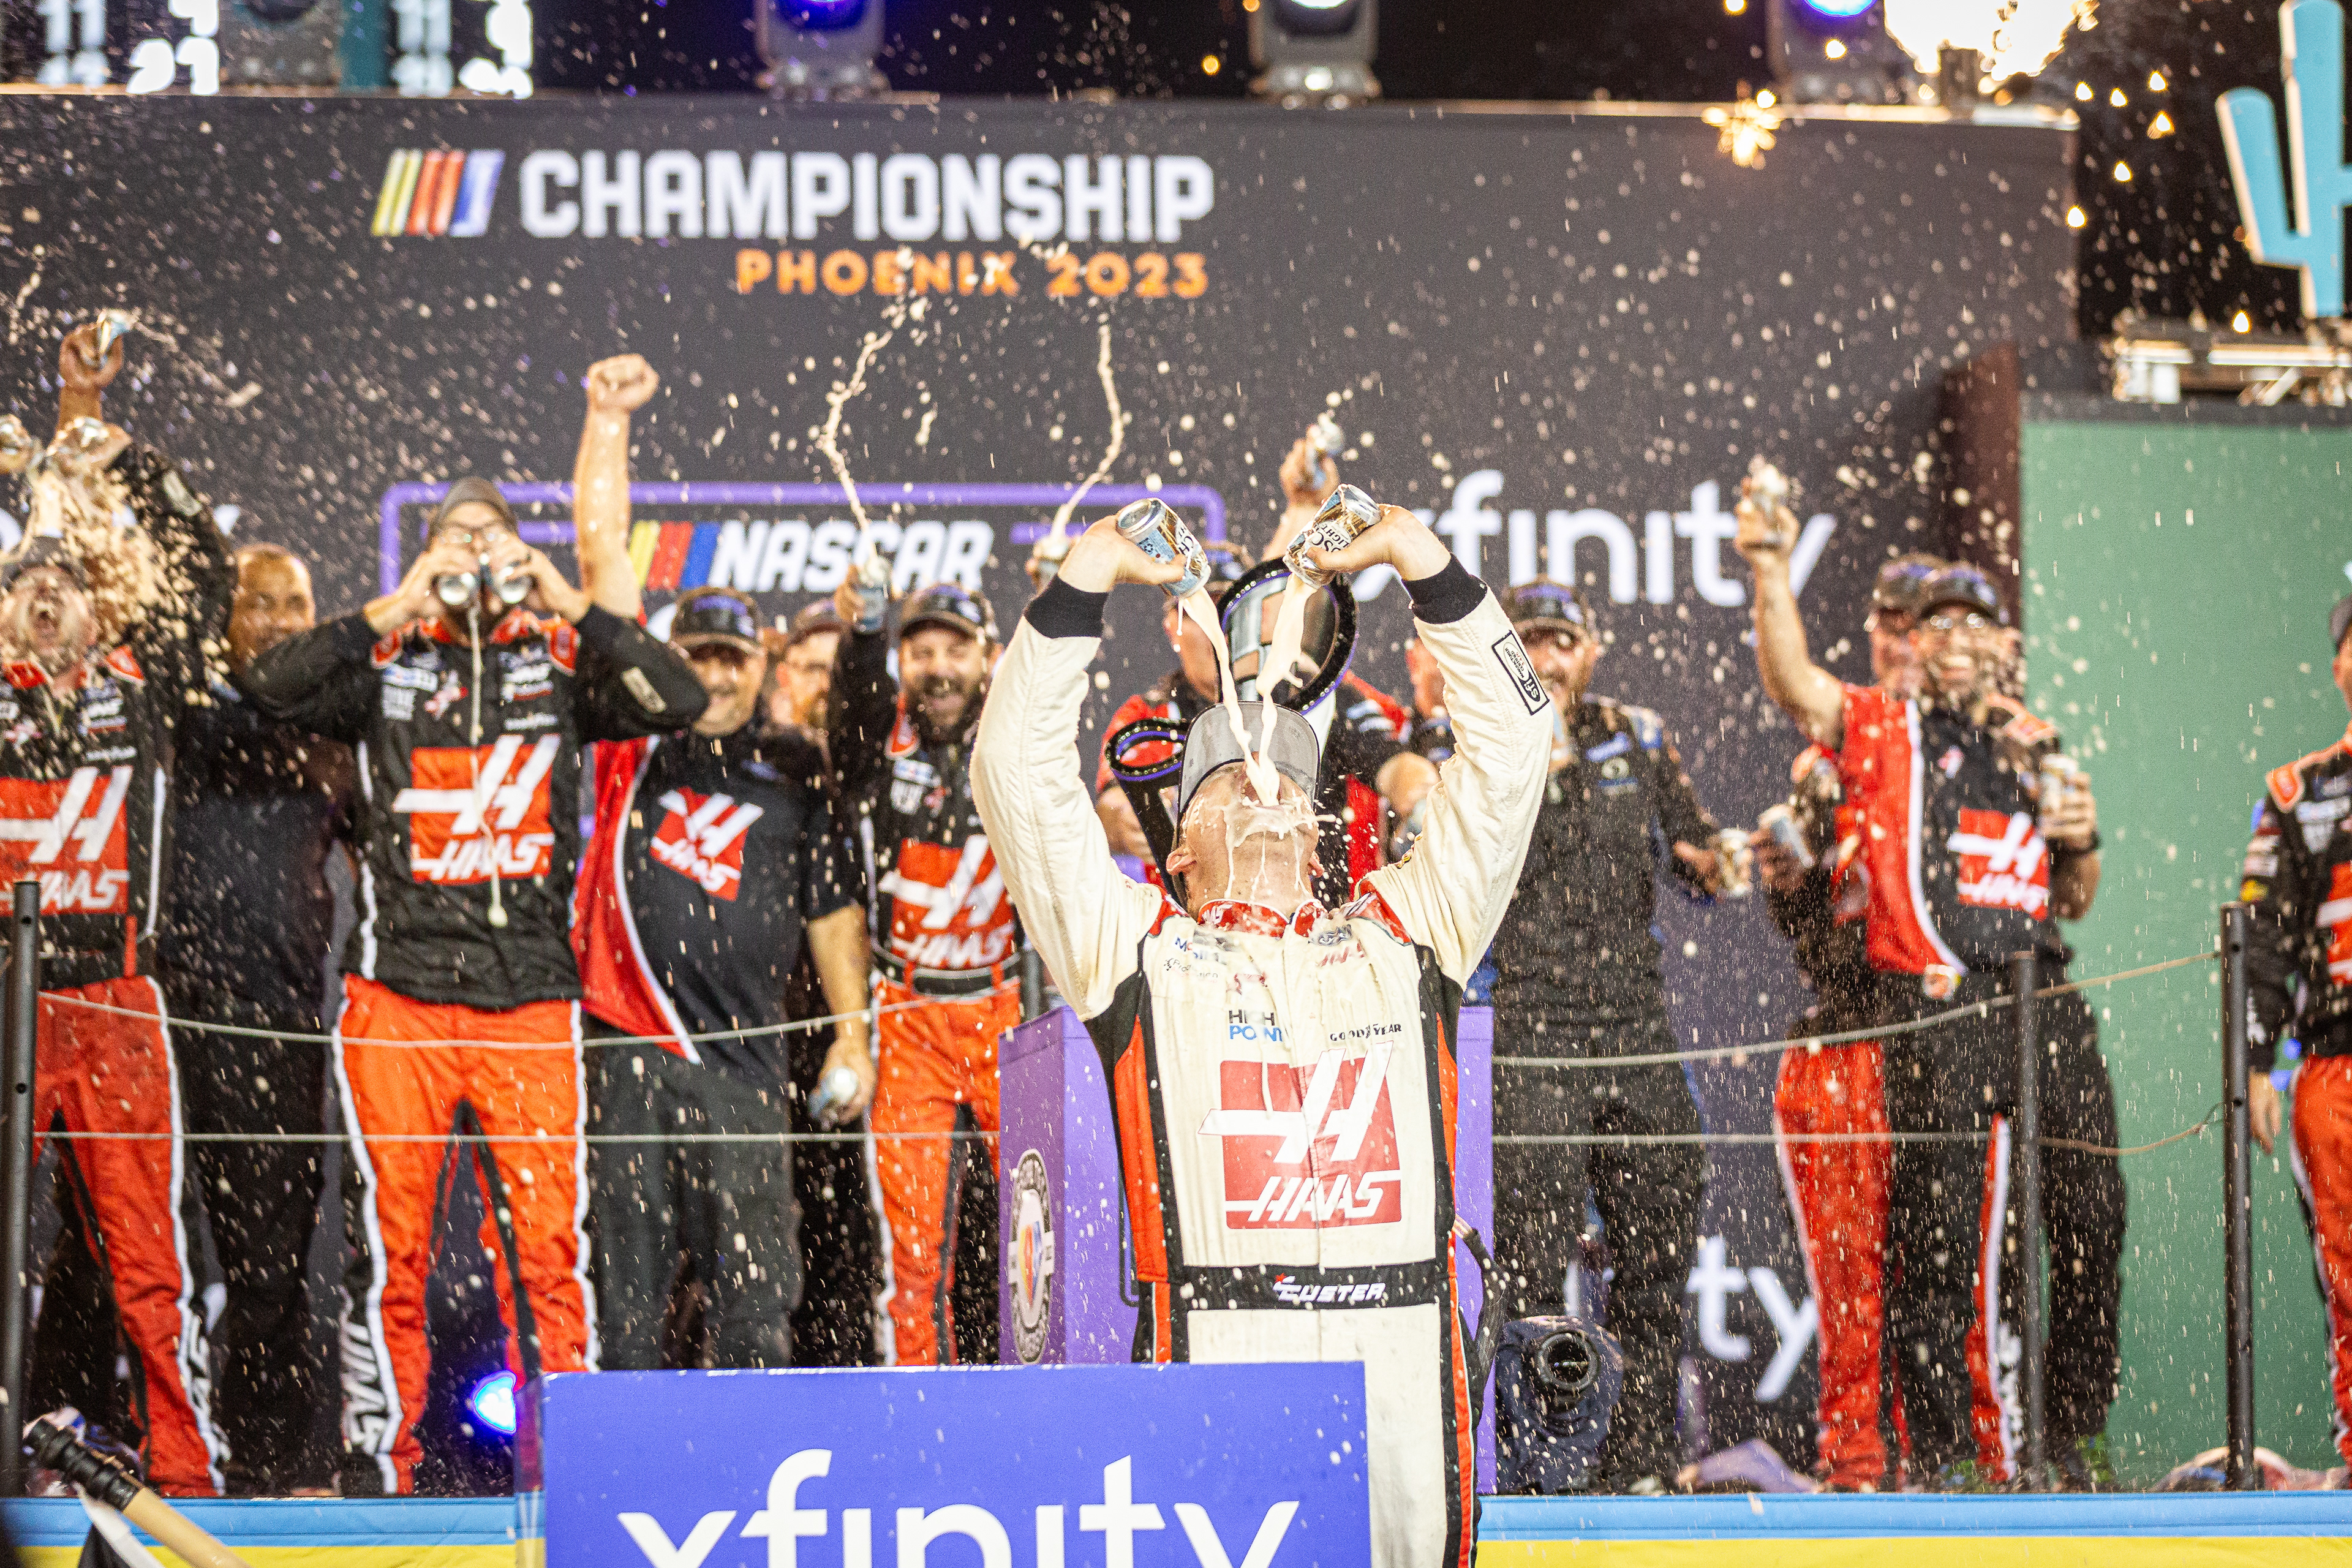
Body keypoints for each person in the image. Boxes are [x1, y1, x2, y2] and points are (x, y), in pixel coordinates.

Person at [971, 502, 1548, 1568]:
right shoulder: (1137, 953)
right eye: (1233, 779)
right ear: (1175, 854)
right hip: (1219, 1421)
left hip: (1407, 1416)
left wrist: (1420, 556)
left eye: (1285, 774)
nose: (1269, 780)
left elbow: (1518, 747)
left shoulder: (1407, 932)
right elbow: (1014, 778)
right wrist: (1086, 574)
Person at [243, 443, 706, 1490]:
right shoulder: (382, 663)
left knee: (548, 1256)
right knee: (388, 1254)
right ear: (426, 557)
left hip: (532, 1002)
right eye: (455, 534)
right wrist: (387, 606)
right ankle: (382, 1469)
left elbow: (677, 698)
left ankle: (569, 1472)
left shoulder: (557, 659)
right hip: (396, 999)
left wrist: (568, 600)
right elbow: (266, 690)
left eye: (494, 535)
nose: (475, 549)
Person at [1739, 496, 2113, 1489]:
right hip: (1926, 1004)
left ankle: (2070, 1436)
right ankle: (1934, 1458)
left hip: (2037, 995)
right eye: (1929, 625)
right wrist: (1771, 566)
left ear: (2004, 642)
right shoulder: (1881, 731)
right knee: (1937, 1240)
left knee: (2089, 1212)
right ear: (1904, 641)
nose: (1949, 641)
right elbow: (1797, 688)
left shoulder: (2037, 739)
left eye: (1970, 623)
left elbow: (2072, 897)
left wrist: (2081, 834)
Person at [560, 357, 877, 1370]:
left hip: (747, 1067)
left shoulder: (795, 771)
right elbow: (605, 563)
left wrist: (852, 1038)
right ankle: (627, 1491)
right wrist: (607, 422)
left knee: (757, 1302)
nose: (715, 672)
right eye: (696, 654)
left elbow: (831, 911)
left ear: (763, 664)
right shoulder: (627, 744)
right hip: (630, 1052)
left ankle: (753, 1490)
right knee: (632, 1297)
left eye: (733, 657)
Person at [0, 321, 235, 1494]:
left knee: (146, 1258)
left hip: (113, 1005)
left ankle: (185, 1470)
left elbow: (201, 562)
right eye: (24, 588)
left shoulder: (141, 686)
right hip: (6, 1004)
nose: (46, 599)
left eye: (64, 587)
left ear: (98, 614)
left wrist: (104, 441)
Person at [1482, 576, 1745, 1492]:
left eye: (1563, 643)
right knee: (1525, 1260)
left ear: (1590, 654)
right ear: (1502, 654)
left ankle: (1638, 1461)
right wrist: (1528, 756)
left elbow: (1702, 860)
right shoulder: (1471, 738)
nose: (1548, 660)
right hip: (1529, 1025)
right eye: (1529, 643)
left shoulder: (1640, 733)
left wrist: (1739, 858)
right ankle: (1520, 1464)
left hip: (1636, 1025)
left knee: (1659, 1247)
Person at [159, 541, 355, 1495]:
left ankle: (270, 1469)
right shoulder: (185, 714)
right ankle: (127, 1450)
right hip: (160, 1014)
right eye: (259, 603)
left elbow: (396, 839)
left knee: (273, 1259)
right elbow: (242, 741)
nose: (279, 620)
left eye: (297, 604)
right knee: (129, 1249)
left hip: (278, 1021)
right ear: (222, 616)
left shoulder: (338, 733)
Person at [1754, 552, 1937, 1491]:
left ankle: (1971, 1469)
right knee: (1849, 1275)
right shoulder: (1827, 757)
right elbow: (1818, 935)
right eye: (1884, 622)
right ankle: (1858, 1466)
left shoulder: (1974, 747)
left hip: (1948, 1039)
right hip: (1847, 1040)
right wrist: (1791, 882)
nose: (1894, 639)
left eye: (1914, 623)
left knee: (1953, 1279)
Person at [829, 573, 1017, 1365]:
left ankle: (1059, 1402)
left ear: (988, 658)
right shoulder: (881, 743)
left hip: (1010, 1012)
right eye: (922, 651)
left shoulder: (1016, 737)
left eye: (955, 650)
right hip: (907, 1014)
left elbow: (1052, 690)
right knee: (911, 1252)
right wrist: (865, 637)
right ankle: (916, 1411)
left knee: (1049, 1224)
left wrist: (1048, 599)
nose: (938, 668)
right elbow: (851, 718)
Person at [1093, 541, 1434, 907]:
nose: (1220, 628)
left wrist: (1423, 801)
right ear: (1172, 628)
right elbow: (1111, 809)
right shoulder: (1148, 716)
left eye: (1235, 609)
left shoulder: (1323, 694)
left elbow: (1396, 764)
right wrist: (1125, 822)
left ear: (1264, 618)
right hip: (1190, 943)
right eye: (1202, 611)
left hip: (1330, 939)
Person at [2242, 591, 2352, 1477]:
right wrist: (2255, 1063)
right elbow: (2269, 940)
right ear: (2339, 669)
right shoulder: (2299, 791)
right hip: (2335, 1064)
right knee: (2349, 1273)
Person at [766, 601, 842, 736]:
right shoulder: (763, 747)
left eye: (842, 672)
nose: (827, 685)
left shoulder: (886, 748)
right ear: (784, 676)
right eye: (813, 669)